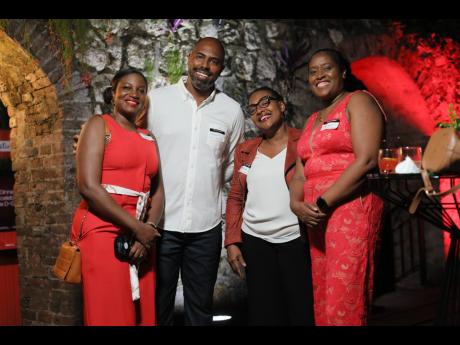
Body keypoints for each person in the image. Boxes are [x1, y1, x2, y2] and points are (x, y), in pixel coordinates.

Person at [147, 37, 245, 325]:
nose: (205, 65)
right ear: (189, 58)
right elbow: (135, 143)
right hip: (160, 225)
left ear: (221, 68)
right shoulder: (157, 101)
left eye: (214, 61)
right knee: (157, 306)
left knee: (200, 310)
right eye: (200, 57)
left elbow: (230, 164)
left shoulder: (231, 111)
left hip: (206, 228)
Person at [289, 48, 386, 326]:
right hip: (315, 218)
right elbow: (300, 172)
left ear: (343, 72)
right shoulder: (312, 120)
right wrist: (296, 204)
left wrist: (322, 202)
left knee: (345, 300)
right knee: (323, 297)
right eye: (313, 71)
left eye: (327, 68)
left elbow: (366, 160)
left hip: (349, 209)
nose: (319, 75)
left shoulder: (359, 102)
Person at [72, 67, 164, 325]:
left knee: (143, 315)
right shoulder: (98, 125)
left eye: (141, 90)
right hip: (104, 230)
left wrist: (147, 232)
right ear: (113, 93)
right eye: (126, 87)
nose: (134, 93)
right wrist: (138, 229)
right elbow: (88, 187)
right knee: (111, 313)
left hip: (139, 238)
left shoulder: (149, 138)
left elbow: (158, 191)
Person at [225, 86, 315, 325]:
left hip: (295, 239)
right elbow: (235, 197)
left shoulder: (304, 140)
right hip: (256, 242)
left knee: (302, 310)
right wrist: (232, 241)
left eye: (265, 102)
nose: (259, 110)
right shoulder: (245, 151)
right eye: (253, 108)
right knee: (264, 313)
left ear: (282, 105)